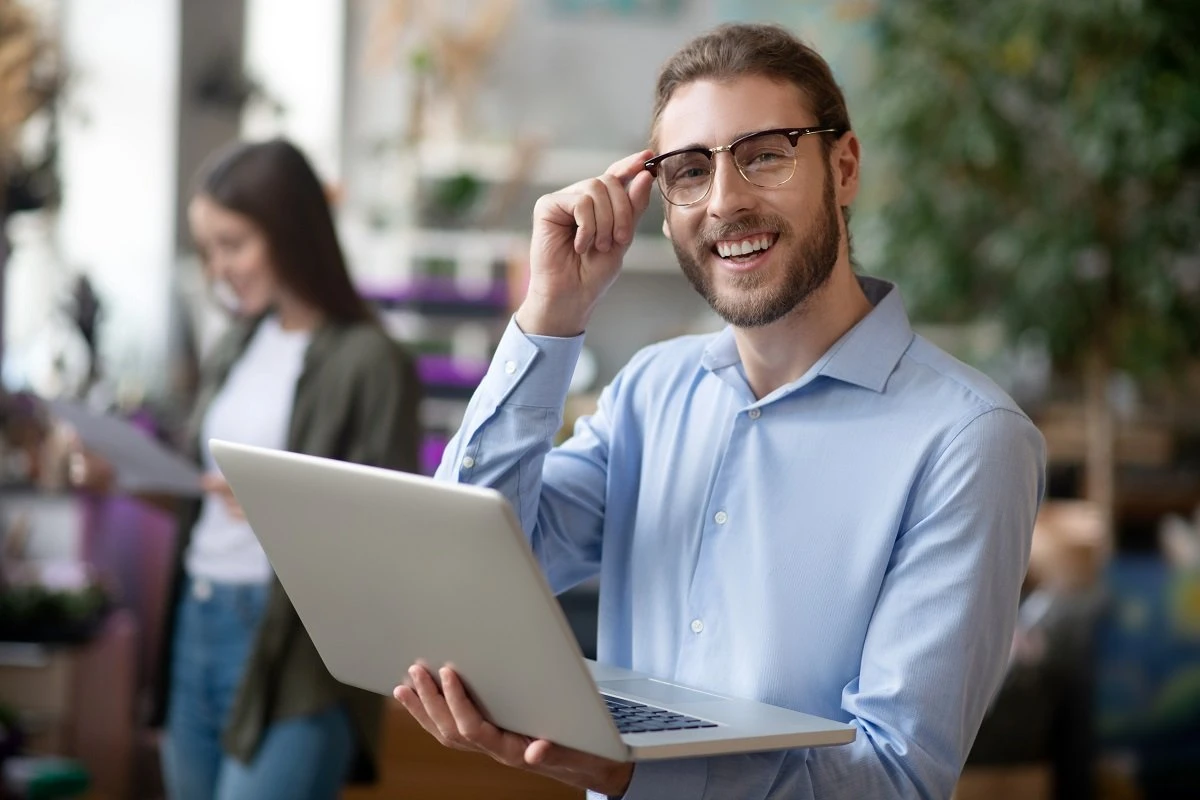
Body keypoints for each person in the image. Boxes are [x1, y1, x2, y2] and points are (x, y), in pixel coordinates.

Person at [392, 22, 1046, 800]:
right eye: (690, 171)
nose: (726, 202)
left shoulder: (969, 441)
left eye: (765, 153)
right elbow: (483, 568)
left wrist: (632, 770)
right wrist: (549, 314)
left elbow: (894, 781)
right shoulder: (651, 391)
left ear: (843, 167)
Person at [73, 138, 422, 799]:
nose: (218, 269)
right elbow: (205, 495)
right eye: (208, 250)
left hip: (292, 648)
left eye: (232, 244)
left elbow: (393, 531)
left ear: (290, 232)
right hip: (197, 620)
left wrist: (281, 510)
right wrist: (118, 476)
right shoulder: (236, 343)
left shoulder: (371, 361)